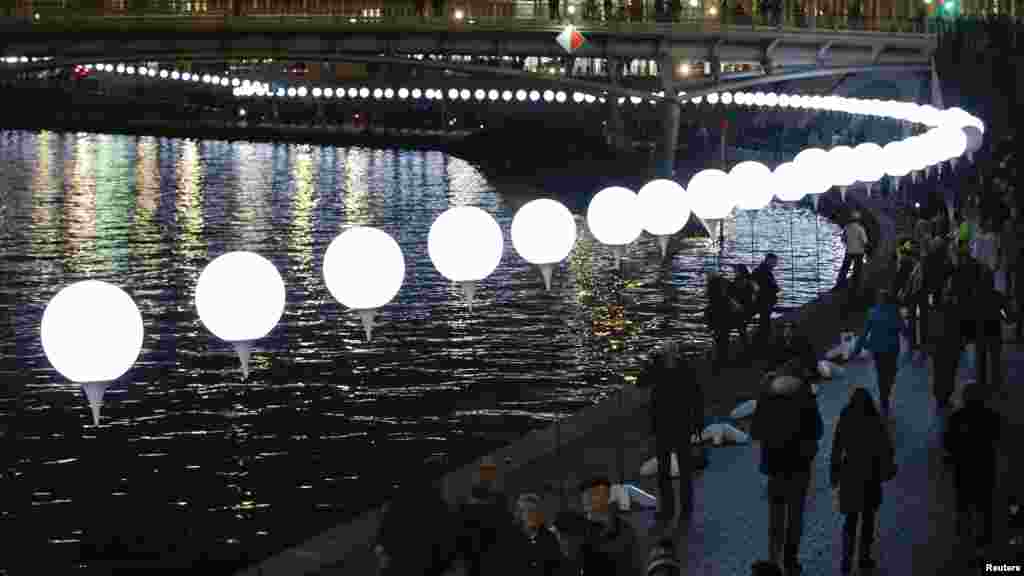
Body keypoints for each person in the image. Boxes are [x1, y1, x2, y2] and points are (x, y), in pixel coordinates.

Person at [751, 373, 824, 576]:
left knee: (775, 515)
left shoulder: (767, 399)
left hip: (775, 466)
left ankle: (773, 559)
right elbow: (818, 430)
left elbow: (755, 431)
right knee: (795, 515)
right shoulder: (805, 398)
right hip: (800, 467)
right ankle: (791, 560)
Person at [830, 387, 896, 575]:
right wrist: (888, 468)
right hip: (871, 475)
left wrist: (834, 472)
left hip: (850, 473)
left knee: (850, 520)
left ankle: (847, 559)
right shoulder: (874, 418)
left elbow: (837, 445)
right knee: (868, 520)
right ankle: (864, 558)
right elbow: (885, 446)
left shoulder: (846, 415)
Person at [944, 383, 1004, 561]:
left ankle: (964, 537)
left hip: (963, 467)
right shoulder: (991, 416)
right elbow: (997, 437)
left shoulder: (957, 417)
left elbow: (948, 442)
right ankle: (983, 541)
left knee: (963, 502)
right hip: (985, 466)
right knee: (985, 504)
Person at [648, 340, 704, 529]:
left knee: (685, 470)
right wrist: (651, 363)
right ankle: (668, 509)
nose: (669, 352)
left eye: (671, 349)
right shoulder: (657, 368)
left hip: (681, 425)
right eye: (666, 350)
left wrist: (697, 424)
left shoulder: (686, 369)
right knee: (663, 471)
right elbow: (641, 382)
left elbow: (696, 396)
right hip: (664, 425)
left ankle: (685, 510)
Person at [374, 484, 462, 575]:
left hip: (402, 565)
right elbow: (449, 540)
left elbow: (381, 544)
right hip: (430, 565)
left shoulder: (396, 507)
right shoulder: (440, 505)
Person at [851, 289, 906, 420]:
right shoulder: (895, 313)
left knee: (881, 373)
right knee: (891, 372)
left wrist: (857, 350)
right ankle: (886, 393)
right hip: (892, 349)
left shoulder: (872, 312)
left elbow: (864, 333)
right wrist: (914, 342)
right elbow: (903, 329)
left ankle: (883, 396)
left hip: (877, 349)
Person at [456, 463, 515, 576]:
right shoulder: (466, 505)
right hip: (477, 555)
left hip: (490, 554)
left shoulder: (498, 500)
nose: (485, 478)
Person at [578, 476, 638, 575]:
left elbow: (633, 567)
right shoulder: (577, 529)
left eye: (593, 494)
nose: (587, 498)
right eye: (585, 494)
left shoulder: (623, 530)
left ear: (607, 496)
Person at [511, 493, 564, 575]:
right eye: (527, 511)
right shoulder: (512, 539)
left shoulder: (550, 538)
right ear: (520, 514)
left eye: (534, 510)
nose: (530, 515)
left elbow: (557, 568)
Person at [834, 211, 869, 300]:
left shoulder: (846, 227)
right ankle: (855, 287)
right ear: (858, 220)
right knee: (857, 270)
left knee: (844, 269)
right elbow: (865, 241)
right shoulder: (860, 229)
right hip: (859, 252)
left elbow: (843, 239)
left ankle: (839, 285)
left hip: (849, 251)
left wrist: (848, 244)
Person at [706, 273, 736, 374]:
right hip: (722, 321)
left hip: (716, 321)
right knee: (722, 342)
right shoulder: (722, 297)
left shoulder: (713, 295)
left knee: (719, 342)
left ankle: (718, 363)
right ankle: (720, 363)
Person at [752, 253, 781, 343]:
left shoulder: (760, 270)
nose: (776, 264)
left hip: (762, 300)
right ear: (768, 261)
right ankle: (762, 341)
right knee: (765, 323)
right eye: (774, 262)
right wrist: (776, 289)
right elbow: (770, 287)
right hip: (764, 301)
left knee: (764, 322)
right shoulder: (764, 272)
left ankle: (761, 340)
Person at [729, 264, 759, 349]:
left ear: (740, 271)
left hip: (741, 308)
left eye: (735, 270)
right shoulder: (751, 280)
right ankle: (746, 345)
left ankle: (746, 346)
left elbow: (732, 294)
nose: (734, 272)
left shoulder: (739, 281)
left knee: (741, 328)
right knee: (742, 328)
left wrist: (736, 304)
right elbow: (756, 291)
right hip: (748, 307)